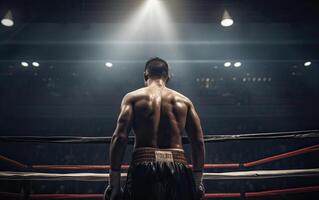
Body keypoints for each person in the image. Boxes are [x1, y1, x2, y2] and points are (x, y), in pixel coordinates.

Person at [104, 57, 205, 200]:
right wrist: (197, 182)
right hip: (178, 165)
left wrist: (114, 183)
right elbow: (198, 141)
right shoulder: (184, 101)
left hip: (143, 164)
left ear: (145, 75)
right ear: (168, 77)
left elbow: (119, 137)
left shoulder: (133, 97)